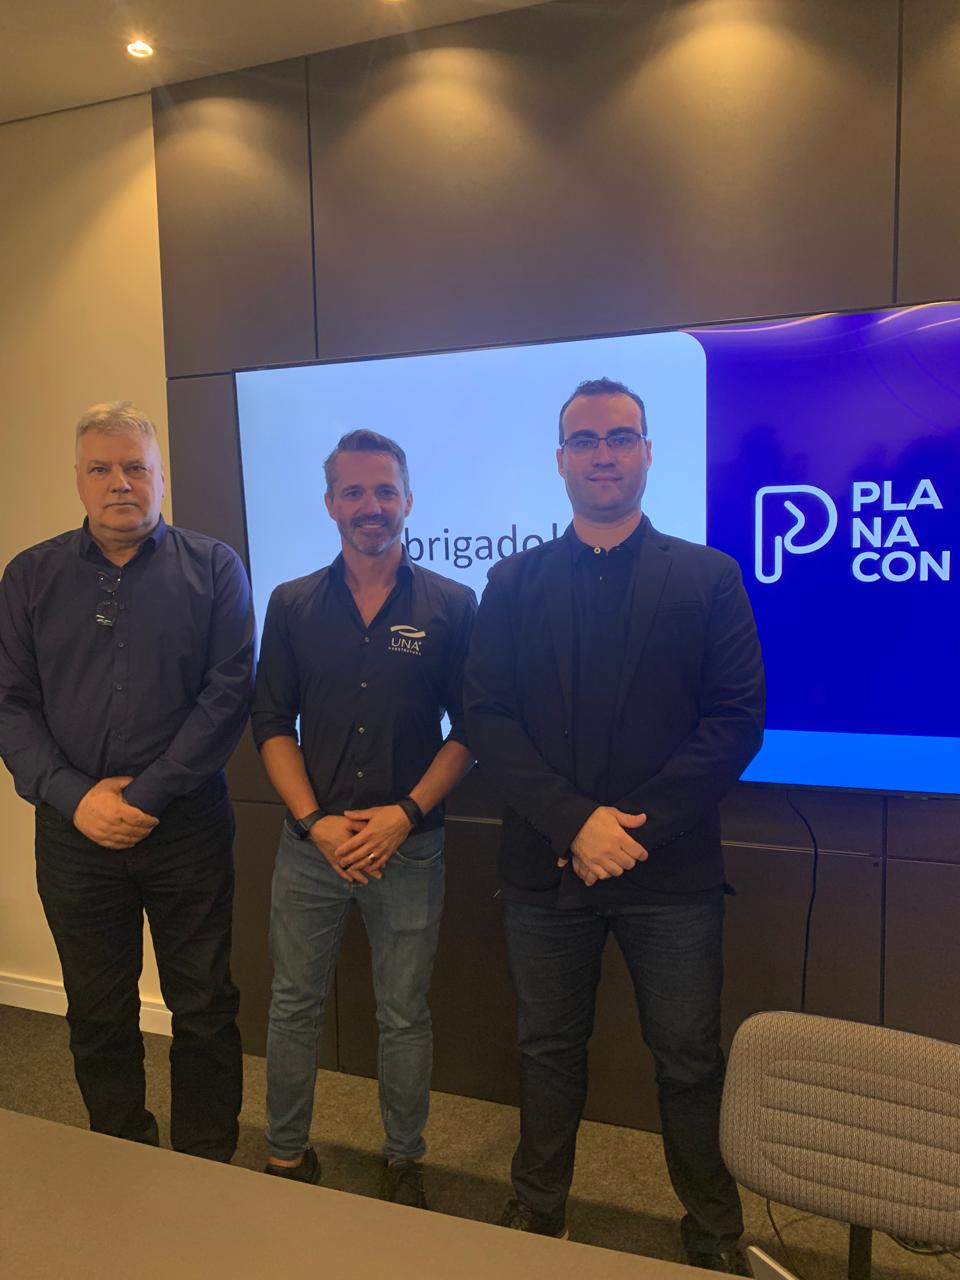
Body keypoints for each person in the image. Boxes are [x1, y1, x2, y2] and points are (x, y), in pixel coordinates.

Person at [464, 378, 765, 1270]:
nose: (604, 454)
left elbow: (736, 722)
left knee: (688, 1058)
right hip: (546, 867)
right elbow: (487, 717)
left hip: (670, 874)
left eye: (621, 437)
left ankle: (713, 1232)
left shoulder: (708, 577)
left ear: (646, 453)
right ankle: (538, 1209)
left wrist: (626, 832)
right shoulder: (512, 581)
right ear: (560, 460)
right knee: (546, 1049)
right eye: (586, 440)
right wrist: (575, 825)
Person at [0, 401, 255, 1160]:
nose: (120, 483)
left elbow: (227, 695)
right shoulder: (29, 576)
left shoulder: (215, 568)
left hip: (186, 829)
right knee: (97, 1008)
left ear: (161, 479)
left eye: (136, 468)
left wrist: (141, 797)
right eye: (102, 469)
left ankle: (206, 1161)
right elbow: (10, 704)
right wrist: (77, 798)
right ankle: (121, 1155)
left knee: (204, 1004)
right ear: (78, 480)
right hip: (73, 833)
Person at [252, 429, 476, 1206]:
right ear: (330, 504)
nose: (370, 506)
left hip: (407, 849)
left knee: (403, 1014)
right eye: (354, 491)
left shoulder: (452, 605)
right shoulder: (291, 603)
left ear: (408, 500)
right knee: (293, 1005)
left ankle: (403, 1161)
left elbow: (472, 731)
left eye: (384, 491)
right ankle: (285, 1154)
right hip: (310, 847)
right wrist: (315, 821)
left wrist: (404, 815)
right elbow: (271, 723)